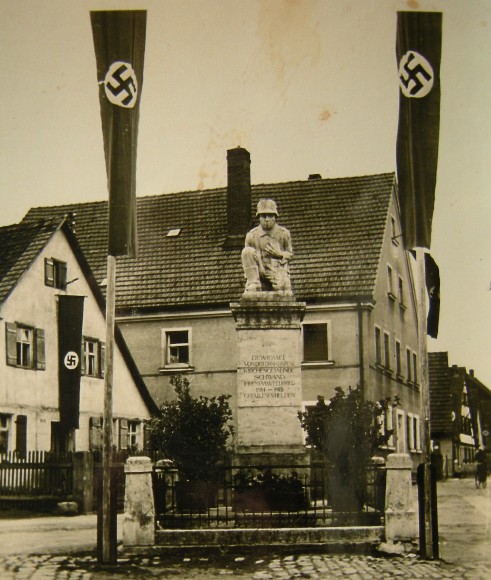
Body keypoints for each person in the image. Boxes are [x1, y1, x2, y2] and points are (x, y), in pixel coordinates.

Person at [241, 199, 293, 292]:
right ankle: (254, 283)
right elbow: (247, 258)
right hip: (258, 271)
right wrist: (260, 266)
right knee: (247, 251)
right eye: (263, 216)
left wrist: (279, 254)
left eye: (270, 215)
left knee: (283, 287)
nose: (267, 219)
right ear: (259, 218)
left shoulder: (283, 233)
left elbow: (290, 254)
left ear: (275, 217)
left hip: (276, 270)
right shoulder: (251, 235)